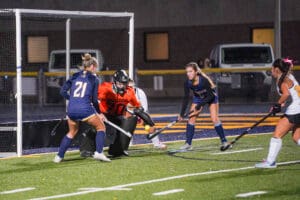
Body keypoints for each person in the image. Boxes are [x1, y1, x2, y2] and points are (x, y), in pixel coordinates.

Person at [54, 53, 110, 163]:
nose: (96, 70)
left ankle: (59, 157)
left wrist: (73, 99)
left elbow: (62, 91)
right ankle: (99, 152)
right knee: (101, 127)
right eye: (96, 68)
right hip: (85, 109)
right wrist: (100, 113)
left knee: (72, 132)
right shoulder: (94, 79)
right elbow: (94, 100)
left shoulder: (74, 76)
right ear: (92, 66)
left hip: (71, 110)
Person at [255, 58, 300, 168]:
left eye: (272, 68)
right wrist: (281, 104)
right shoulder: (289, 76)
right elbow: (291, 93)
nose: (271, 70)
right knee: (296, 137)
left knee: (277, 135)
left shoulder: (282, 80)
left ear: (277, 69)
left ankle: (270, 162)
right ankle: (270, 161)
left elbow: (286, 94)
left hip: (295, 111)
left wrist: (277, 105)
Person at [178, 62, 229, 150]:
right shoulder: (187, 83)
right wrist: (182, 114)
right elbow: (186, 98)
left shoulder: (203, 81)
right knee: (191, 118)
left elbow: (211, 96)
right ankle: (188, 144)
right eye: (187, 72)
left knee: (214, 118)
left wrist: (200, 105)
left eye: (190, 72)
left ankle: (224, 141)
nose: (188, 74)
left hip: (211, 98)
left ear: (196, 72)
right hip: (198, 98)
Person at [128, 79, 167, 149]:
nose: (130, 89)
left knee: (150, 124)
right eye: (128, 87)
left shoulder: (140, 93)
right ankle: (124, 144)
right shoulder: (123, 93)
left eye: (131, 87)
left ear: (134, 86)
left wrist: (141, 119)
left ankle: (157, 143)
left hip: (140, 113)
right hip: (128, 114)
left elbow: (144, 109)